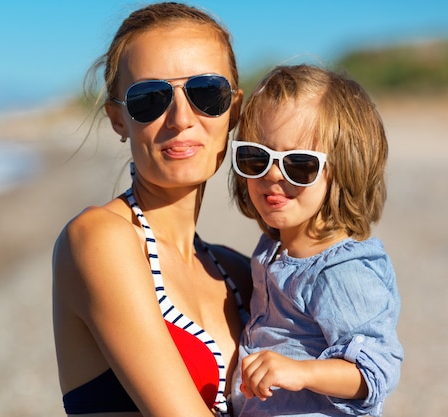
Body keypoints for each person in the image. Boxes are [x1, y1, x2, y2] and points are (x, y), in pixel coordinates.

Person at [52, 3, 251, 417]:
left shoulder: (239, 273)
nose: (180, 118)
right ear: (118, 119)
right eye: (150, 99)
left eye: (206, 93)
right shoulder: (98, 239)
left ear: (234, 109)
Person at [228, 64, 404, 416]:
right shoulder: (274, 250)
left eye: (299, 164)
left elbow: (376, 371)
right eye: (256, 157)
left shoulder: (341, 272)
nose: (273, 174)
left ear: (344, 169)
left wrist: (301, 372)